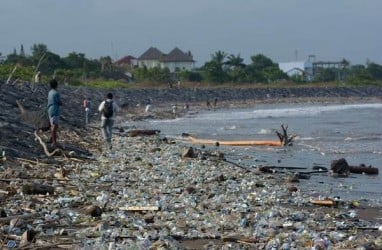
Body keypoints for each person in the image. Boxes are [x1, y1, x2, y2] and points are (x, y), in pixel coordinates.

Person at [47, 79, 62, 147]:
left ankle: (51, 139)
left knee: (53, 125)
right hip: (55, 110)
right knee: (54, 126)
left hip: (50, 109)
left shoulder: (50, 92)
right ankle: (54, 142)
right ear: (56, 85)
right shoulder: (56, 93)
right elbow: (59, 102)